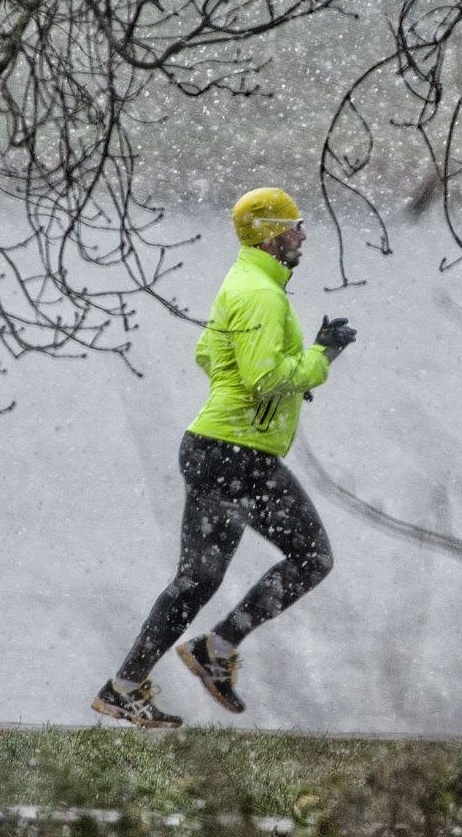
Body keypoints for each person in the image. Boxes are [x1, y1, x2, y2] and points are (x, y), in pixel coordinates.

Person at [92, 187, 358, 728]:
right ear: (272, 232)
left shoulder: (243, 282)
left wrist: (269, 386)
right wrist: (321, 357)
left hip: (224, 450)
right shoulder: (262, 294)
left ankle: (133, 682)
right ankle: (209, 650)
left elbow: (209, 354)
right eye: (296, 225)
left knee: (199, 578)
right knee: (309, 559)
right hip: (236, 456)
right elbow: (265, 378)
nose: (303, 234)